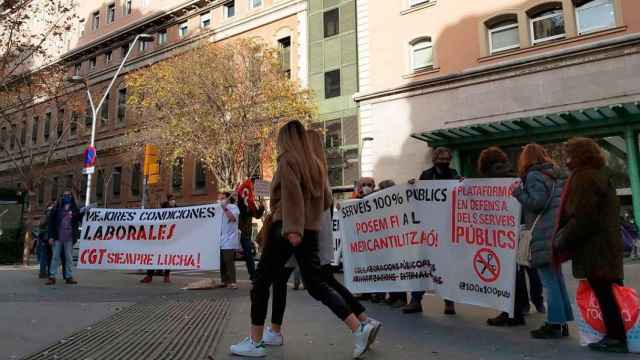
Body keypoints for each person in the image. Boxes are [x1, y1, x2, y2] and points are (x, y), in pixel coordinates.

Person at [230, 121, 380, 359]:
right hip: (310, 229)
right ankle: (358, 326)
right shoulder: (316, 164)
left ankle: (255, 341)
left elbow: (291, 196)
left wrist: (292, 229)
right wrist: (305, 225)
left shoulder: (289, 160)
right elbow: (326, 201)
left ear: (285, 139)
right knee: (316, 284)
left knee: (261, 282)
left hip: (286, 227)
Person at [555, 137, 626, 353]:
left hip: (595, 247)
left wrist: (562, 238)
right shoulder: (600, 174)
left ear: (577, 155)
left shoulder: (583, 177)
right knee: (612, 292)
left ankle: (616, 337)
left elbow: (583, 217)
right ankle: (619, 334)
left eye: (568, 153)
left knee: (605, 294)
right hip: (607, 244)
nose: (565, 158)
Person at [513, 144, 572, 339]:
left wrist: (518, 193)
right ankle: (562, 323)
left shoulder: (533, 176)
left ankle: (554, 324)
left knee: (549, 281)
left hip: (542, 233)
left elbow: (537, 203)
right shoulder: (556, 174)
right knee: (557, 279)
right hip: (555, 231)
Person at [478, 147, 530, 327]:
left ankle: (512, 312)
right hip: (519, 227)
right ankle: (522, 306)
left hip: (504, 231)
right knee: (517, 270)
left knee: (508, 272)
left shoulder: (494, 179)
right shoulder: (514, 175)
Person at [404, 147, 459, 315]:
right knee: (422, 266)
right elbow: (418, 197)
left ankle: (449, 302)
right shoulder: (426, 175)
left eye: (446, 158)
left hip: (446, 229)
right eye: (441, 158)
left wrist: (463, 183)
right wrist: (413, 186)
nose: (444, 161)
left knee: (446, 266)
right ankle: (415, 300)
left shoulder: (454, 174)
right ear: (434, 159)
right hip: (428, 229)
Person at [377, 179, 408, 308]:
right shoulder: (380, 202)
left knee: (398, 270)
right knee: (389, 270)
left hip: (398, 242)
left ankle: (401, 298)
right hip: (387, 242)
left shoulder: (399, 202)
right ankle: (393, 295)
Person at [46, 190, 81, 285]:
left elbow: (79, 219)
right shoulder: (56, 209)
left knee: (69, 258)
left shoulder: (75, 209)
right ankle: (52, 276)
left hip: (69, 238)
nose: (67, 197)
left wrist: (85, 212)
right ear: (61, 197)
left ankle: (69, 276)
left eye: (69, 195)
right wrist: (51, 236)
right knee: (55, 257)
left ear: (72, 196)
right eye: (65, 195)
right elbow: (51, 224)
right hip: (57, 237)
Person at [140, 194, 176, 284]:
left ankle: (166, 276)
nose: (173, 201)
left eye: (174, 199)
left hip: (170, 238)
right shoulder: (163, 208)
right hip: (160, 237)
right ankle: (149, 276)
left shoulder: (178, 209)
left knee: (168, 257)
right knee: (154, 256)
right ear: (168, 200)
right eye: (171, 199)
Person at [238, 179, 265, 282]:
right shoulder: (242, 202)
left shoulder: (250, 204)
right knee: (228, 255)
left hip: (246, 233)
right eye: (252, 187)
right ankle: (227, 278)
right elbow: (243, 210)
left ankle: (253, 275)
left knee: (249, 255)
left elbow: (257, 215)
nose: (253, 189)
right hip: (236, 232)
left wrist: (262, 207)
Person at [218, 191, 241, 289]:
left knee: (228, 260)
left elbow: (233, 219)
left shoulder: (234, 207)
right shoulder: (218, 208)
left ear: (228, 198)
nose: (221, 200)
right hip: (220, 238)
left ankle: (233, 282)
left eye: (223, 198)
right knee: (222, 261)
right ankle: (224, 281)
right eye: (220, 198)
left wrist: (225, 208)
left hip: (230, 239)